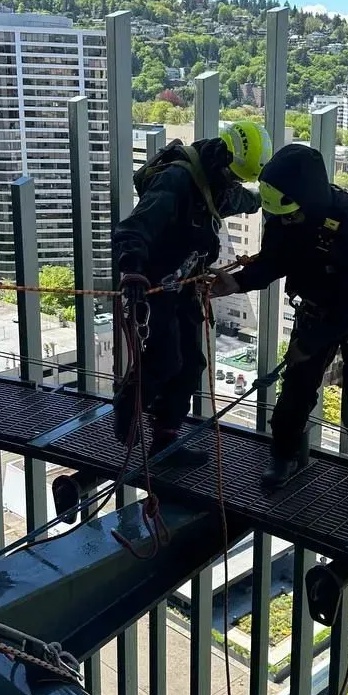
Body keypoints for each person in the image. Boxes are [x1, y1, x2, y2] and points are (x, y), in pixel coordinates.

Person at [211, 143, 348, 515]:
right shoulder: (284, 213)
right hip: (319, 307)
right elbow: (274, 260)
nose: (286, 222)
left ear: (308, 201)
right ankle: (285, 453)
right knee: (297, 386)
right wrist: (238, 283)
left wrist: (313, 342)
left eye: (292, 215)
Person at [112, 122, 271, 464]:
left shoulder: (217, 182)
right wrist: (133, 270)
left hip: (183, 283)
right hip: (155, 283)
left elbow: (242, 199)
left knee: (190, 364)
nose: (235, 182)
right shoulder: (177, 181)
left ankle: (165, 441)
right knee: (165, 358)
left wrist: (267, 198)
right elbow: (135, 227)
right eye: (234, 175)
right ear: (223, 158)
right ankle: (128, 405)